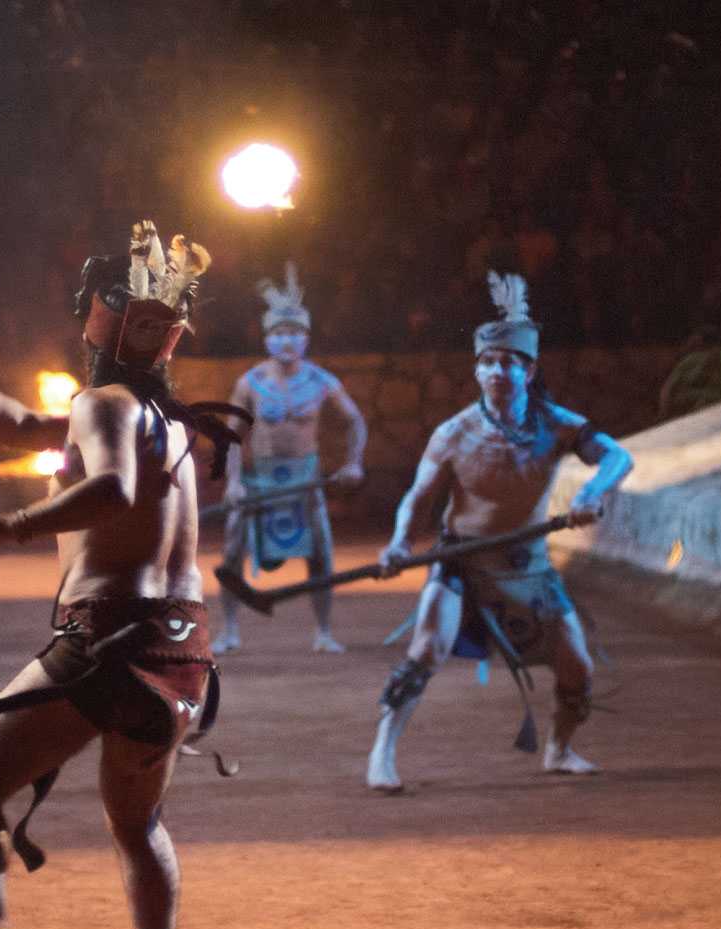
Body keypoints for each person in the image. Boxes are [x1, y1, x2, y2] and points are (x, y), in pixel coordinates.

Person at [0, 221, 243, 929]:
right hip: (182, 657)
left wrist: (7, 527)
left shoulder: (106, 404)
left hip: (109, 645)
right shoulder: (173, 425)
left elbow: (113, 489)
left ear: (98, 316)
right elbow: (18, 428)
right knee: (137, 822)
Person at [368, 271, 632, 789]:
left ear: (528, 371)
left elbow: (618, 455)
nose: (496, 372)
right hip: (461, 561)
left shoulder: (558, 424)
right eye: (487, 363)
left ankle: (559, 750)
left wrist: (591, 493)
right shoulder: (454, 434)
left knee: (577, 666)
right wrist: (400, 543)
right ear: (476, 371)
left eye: (508, 363)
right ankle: (383, 755)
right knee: (425, 650)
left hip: (528, 565)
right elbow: (418, 499)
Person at [213, 262, 368, 654]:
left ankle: (324, 631)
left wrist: (353, 463)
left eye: (294, 333)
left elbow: (355, 422)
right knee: (232, 550)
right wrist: (232, 482)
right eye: (279, 333)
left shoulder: (321, 381)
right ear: (267, 338)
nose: (286, 341)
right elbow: (232, 435)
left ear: (306, 338)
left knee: (321, 552)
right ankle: (229, 630)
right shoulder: (250, 383)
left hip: (305, 479)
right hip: (259, 479)